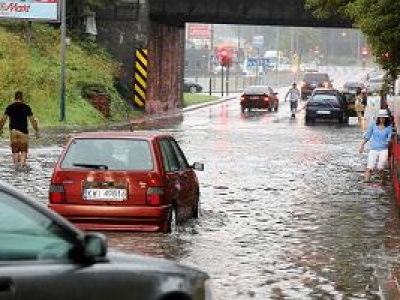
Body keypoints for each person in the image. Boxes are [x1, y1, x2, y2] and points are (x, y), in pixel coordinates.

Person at [0, 91, 40, 169]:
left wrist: (0, 128)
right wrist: (37, 130)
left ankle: (16, 167)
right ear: (22, 98)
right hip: (23, 132)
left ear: (15, 98)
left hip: (13, 132)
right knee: (24, 151)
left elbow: (3, 120)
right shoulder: (26, 107)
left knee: (15, 152)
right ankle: (21, 167)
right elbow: (32, 120)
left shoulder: (10, 107)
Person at [359, 108, 393, 185]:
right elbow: (368, 136)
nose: (382, 119)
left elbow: (389, 137)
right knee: (369, 167)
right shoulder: (373, 125)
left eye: (384, 118)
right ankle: (366, 182)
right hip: (373, 149)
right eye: (381, 117)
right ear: (378, 118)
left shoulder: (389, 127)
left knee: (380, 168)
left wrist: (388, 142)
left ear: (386, 118)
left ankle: (383, 181)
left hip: (383, 149)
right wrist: (362, 145)